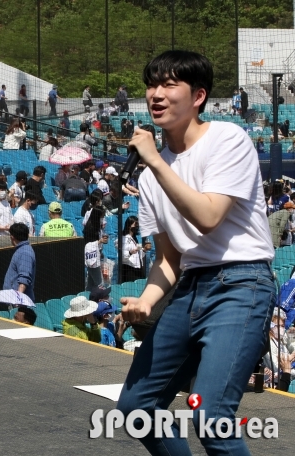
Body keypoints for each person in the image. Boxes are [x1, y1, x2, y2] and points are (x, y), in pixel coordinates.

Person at [115, 51, 276, 454]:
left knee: (211, 414)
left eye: (169, 85)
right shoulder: (152, 177)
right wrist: (147, 301)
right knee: (137, 407)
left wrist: (153, 159)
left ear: (198, 95)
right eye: (152, 84)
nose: (156, 94)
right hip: (189, 289)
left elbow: (208, 216)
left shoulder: (227, 139)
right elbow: (168, 258)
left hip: (242, 283)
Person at [3, 222, 36, 301]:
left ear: (12, 237)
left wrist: (18, 299)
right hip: (15, 299)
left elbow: (24, 278)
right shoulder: (22, 250)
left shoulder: (25, 252)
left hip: (20, 303)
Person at [83, 206, 107, 291]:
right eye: (102, 216)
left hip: (98, 253)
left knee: (90, 283)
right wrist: (100, 241)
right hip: (92, 256)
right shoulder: (90, 227)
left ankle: (88, 296)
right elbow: (88, 244)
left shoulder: (98, 226)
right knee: (100, 283)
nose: (103, 217)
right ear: (98, 216)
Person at [120, 216, 146, 282]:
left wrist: (144, 250)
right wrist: (130, 252)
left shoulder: (134, 238)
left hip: (137, 267)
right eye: (135, 224)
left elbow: (138, 255)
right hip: (129, 269)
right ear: (129, 226)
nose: (137, 226)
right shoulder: (125, 239)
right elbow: (122, 256)